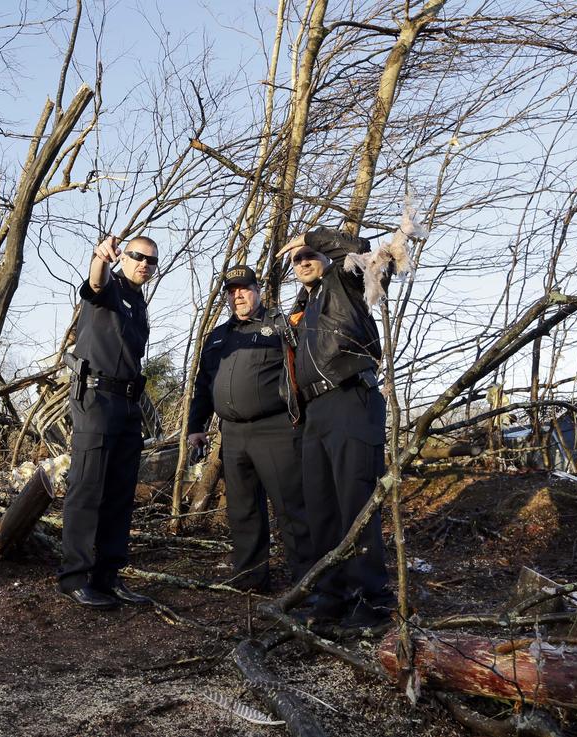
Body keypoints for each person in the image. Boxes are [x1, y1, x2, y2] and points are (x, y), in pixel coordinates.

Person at [278, 226, 394, 627]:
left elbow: (359, 248)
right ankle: (331, 597)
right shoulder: (303, 308)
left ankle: (371, 601)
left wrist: (306, 235)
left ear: (324, 258)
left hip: (351, 399)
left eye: (310, 254)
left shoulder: (345, 282)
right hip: (314, 413)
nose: (304, 260)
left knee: (355, 505)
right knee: (321, 510)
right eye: (297, 258)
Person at [186, 265, 312, 593]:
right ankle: (251, 578)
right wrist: (196, 426)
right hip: (232, 434)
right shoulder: (218, 336)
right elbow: (203, 383)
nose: (237, 295)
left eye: (243, 288)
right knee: (242, 510)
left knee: (291, 507)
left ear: (257, 290)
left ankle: (307, 582)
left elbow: (304, 370)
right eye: (231, 290)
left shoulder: (280, 325)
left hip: (276, 429)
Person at [58, 234, 158, 609]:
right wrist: (100, 257)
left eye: (151, 260)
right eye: (137, 256)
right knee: (87, 489)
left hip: (129, 403)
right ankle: (75, 578)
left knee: (120, 493)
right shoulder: (111, 287)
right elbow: (94, 282)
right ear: (123, 258)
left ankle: (108, 576)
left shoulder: (139, 300)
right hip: (96, 400)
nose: (144, 264)